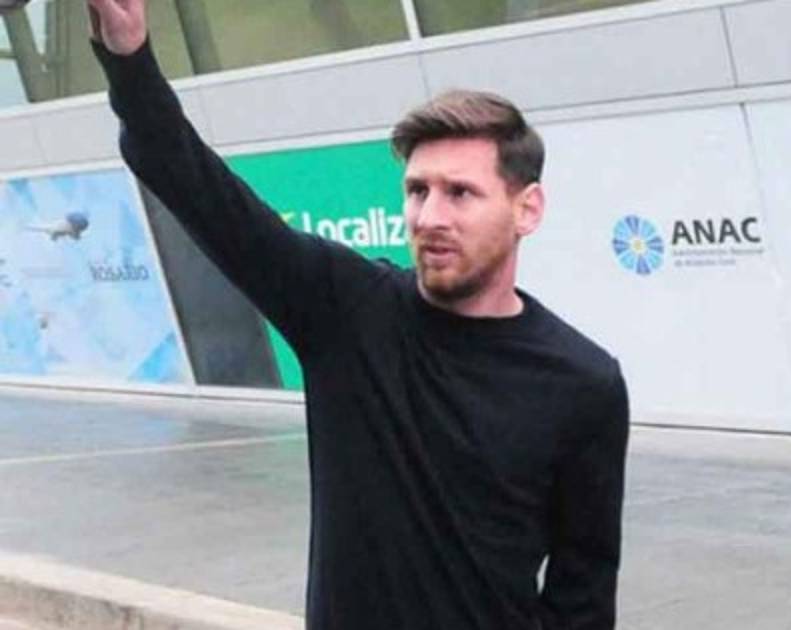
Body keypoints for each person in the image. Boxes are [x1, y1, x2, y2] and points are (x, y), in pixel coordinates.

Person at [86, 1, 630, 628]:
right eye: (417, 190)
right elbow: (202, 192)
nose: (430, 217)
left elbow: (583, 596)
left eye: (460, 193)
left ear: (527, 209)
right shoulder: (346, 311)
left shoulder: (583, 383)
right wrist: (130, 61)